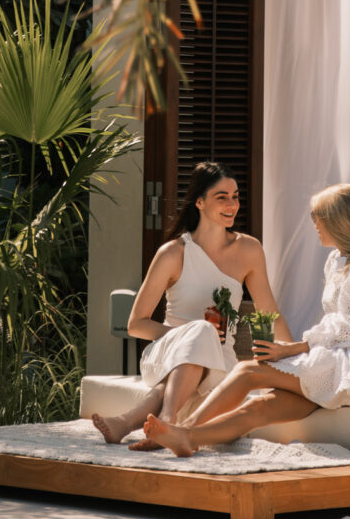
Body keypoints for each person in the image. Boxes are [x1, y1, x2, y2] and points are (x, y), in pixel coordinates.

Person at [143, 181, 350, 457]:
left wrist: (294, 348)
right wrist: (298, 349)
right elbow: (339, 325)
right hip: (333, 358)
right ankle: (186, 438)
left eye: (320, 217)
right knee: (259, 408)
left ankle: (182, 427)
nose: (315, 224)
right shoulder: (337, 261)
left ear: (341, 220)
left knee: (247, 371)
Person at [89, 160, 293, 446]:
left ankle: (126, 422)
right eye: (222, 197)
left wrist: (295, 363)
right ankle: (169, 420)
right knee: (201, 332)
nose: (232, 205)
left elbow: (270, 313)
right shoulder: (173, 253)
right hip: (166, 353)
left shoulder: (249, 249)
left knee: (200, 342)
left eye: (235, 196)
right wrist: (188, 335)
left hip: (220, 361)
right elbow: (136, 324)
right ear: (199, 202)